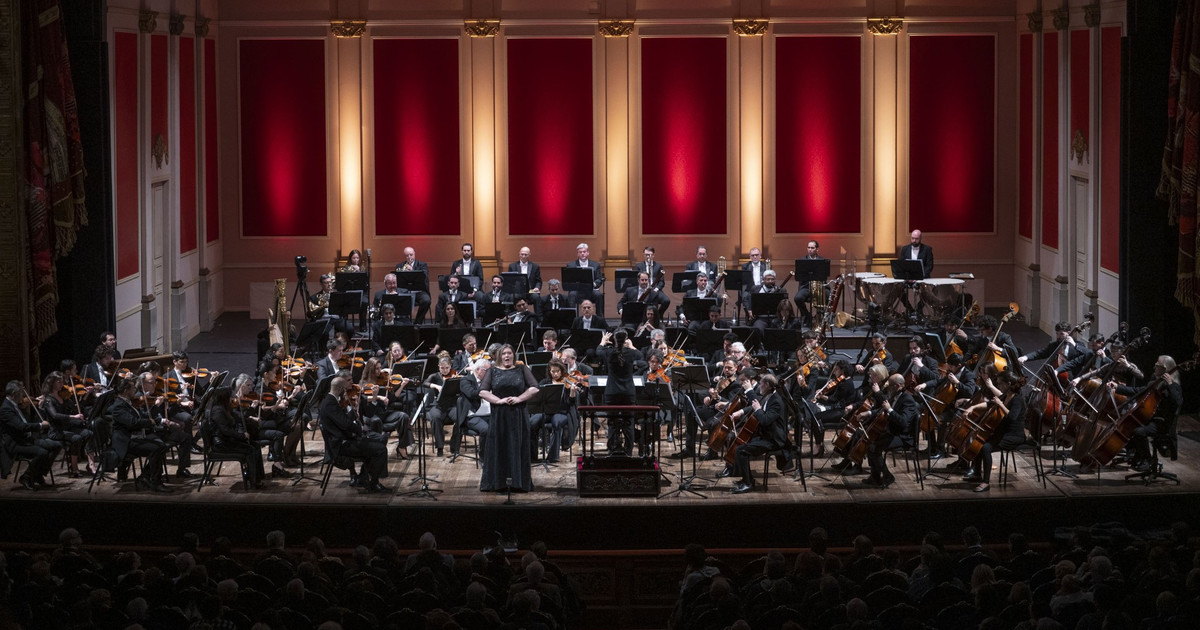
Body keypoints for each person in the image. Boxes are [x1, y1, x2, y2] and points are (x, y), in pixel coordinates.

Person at [478, 344, 539, 492]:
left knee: (518, 446)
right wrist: (498, 401)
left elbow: (534, 387)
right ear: (500, 356)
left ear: (513, 355)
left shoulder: (522, 369)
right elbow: (482, 391)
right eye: (504, 353)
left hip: (518, 414)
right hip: (499, 415)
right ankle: (497, 483)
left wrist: (519, 398)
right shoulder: (492, 371)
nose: (507, 356)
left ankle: (519, 483)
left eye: (509, 353)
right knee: (500, 447)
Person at [320, 376, 387, 492]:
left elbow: (344, 422)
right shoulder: (330, 404)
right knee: (381, 449)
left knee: (377, 443)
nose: (346, 391)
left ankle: (363, 478)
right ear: (340, 389)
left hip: (345, 440)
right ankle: (374, 484)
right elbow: (345, 424)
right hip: (341, 445)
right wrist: (360, 428)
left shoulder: (330, 401)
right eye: (344, 389)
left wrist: (355, 411)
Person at [964, 370, 1026, 492]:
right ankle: (977, 474)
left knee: (985, 447)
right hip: (1002, 433)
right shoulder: (1005, 395)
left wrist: (1001, 404)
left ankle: (985, 482)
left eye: (1001, 384)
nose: (999, 386)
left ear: (1008, 384)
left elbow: (1012, 417)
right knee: (979, 442)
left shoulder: (1018, 399)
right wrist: (973, 407)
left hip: (1014, 435)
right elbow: (989, 405)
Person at [730, 373, 790, 494]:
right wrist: (742, 412)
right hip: (766, 436)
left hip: (774, 440)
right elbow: (758, 406)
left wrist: (758, 409)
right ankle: (747, 479)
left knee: (741, 450)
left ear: (767, 384)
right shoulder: (770, 396)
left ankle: (748, 484)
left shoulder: (776, 401)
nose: (759, 387)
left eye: (761, 384)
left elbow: (765, 420)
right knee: (739, 446)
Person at [108, 376, 170, 492]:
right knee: (157, 448)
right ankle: (155, 482)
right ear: (126, 391)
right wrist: (150, 422)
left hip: (134, 438)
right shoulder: (118, 406)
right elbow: (133, 423)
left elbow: (142, 416)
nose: (135, 390)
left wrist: (157, 418)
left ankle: (146, 477)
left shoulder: (128, 403)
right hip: (126, 442)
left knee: (161, 446)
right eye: (133, 388)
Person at [0, 379, 61, 489]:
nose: (23, 395)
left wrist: (40, 408)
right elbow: (21, 427)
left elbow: (30, 422)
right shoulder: (6, 409)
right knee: (42, 452)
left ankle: (37, 475)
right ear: (14, 394)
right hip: (16, 444)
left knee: (56, 445)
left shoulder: (17, 405)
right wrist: (40, 425)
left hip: (27, 440)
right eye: (21, 392)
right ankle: (26, 477)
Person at [863, 374, 918, 488]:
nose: (887, 388)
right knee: (869, 442)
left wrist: (890, 410)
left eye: (890, 386)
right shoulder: (896, 395)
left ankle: (888, 476)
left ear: (897, 386)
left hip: (903, 437)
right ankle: (875, 477)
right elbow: (883, 409)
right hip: (893, 432)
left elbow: (903, 422)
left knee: (875, 448)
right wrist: (868, 413)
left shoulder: (908, 400)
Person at [207, 386, 267, 489]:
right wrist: (241, 435)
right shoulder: (217, 411)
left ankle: (258, 477)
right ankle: (253, 482)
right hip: (222, 444)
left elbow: (239, 418)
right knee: (250, 450)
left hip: (228, 440)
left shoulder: (225, 408)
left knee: (255, 445)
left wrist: (251, 416)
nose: (233, 398)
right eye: (230, 396)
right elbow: (225, 430)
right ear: (224, 397)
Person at [39, 371, 95, 476]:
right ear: (52, 383)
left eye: (62, 381)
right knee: (76, 438)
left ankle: (91, 464)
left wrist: (87, 394)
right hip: (56, 431)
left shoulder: (63, 396)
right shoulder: (48, 400)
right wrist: (73, 417)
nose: (62, 384)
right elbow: (55, 415)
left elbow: (77, 408)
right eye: (59, 382)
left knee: (89, 433)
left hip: (68, 428)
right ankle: (74, 467)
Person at [595, 329, 642, 453]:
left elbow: (598, 351)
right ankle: (628, 452)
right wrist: (631, 346)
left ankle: (612, 450)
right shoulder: (631, 353)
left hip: (612, 392)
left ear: (614, 339)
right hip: (628, 393)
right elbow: (640, 355)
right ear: (626, 339)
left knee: (612, 422)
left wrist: (603, 341)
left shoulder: (609, 352)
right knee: (629, 423)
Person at [793, 240, 826, 328]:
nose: (810, 249)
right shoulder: (802, 260)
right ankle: (807, 316)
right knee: (797, 298)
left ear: (817, 249)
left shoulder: (822, 261)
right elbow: (799, 276)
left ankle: (820, 316)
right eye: (808, 247)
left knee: (829, 296)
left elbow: (824, 277)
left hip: (819, 287)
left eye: (812, 248)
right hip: (806, 287)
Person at [397, 247, 433, 324]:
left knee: (426, 300)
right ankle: (404, 322)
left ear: (414, 254)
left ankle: (417, 322)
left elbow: (424, 277)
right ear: (404, 256)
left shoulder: (422, 265)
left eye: (411, 255)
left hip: (419, 291)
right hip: (405, 292)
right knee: (397, 300)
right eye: (407, 255)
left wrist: (412, 270)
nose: (409, 257)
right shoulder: (399, 266)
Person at [568, 243, 605, 316]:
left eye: (584, 252)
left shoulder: (595, 265)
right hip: (578, 291)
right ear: (578, 254)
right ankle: (571, 318)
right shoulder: (571, 265)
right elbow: (569, 280)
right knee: (572, 294)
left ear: (588, 253)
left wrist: (594, 284)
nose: (582, 254)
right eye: (580, 252)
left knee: (599, 295)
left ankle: (600, 318)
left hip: (591, 291)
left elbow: (599, 278)